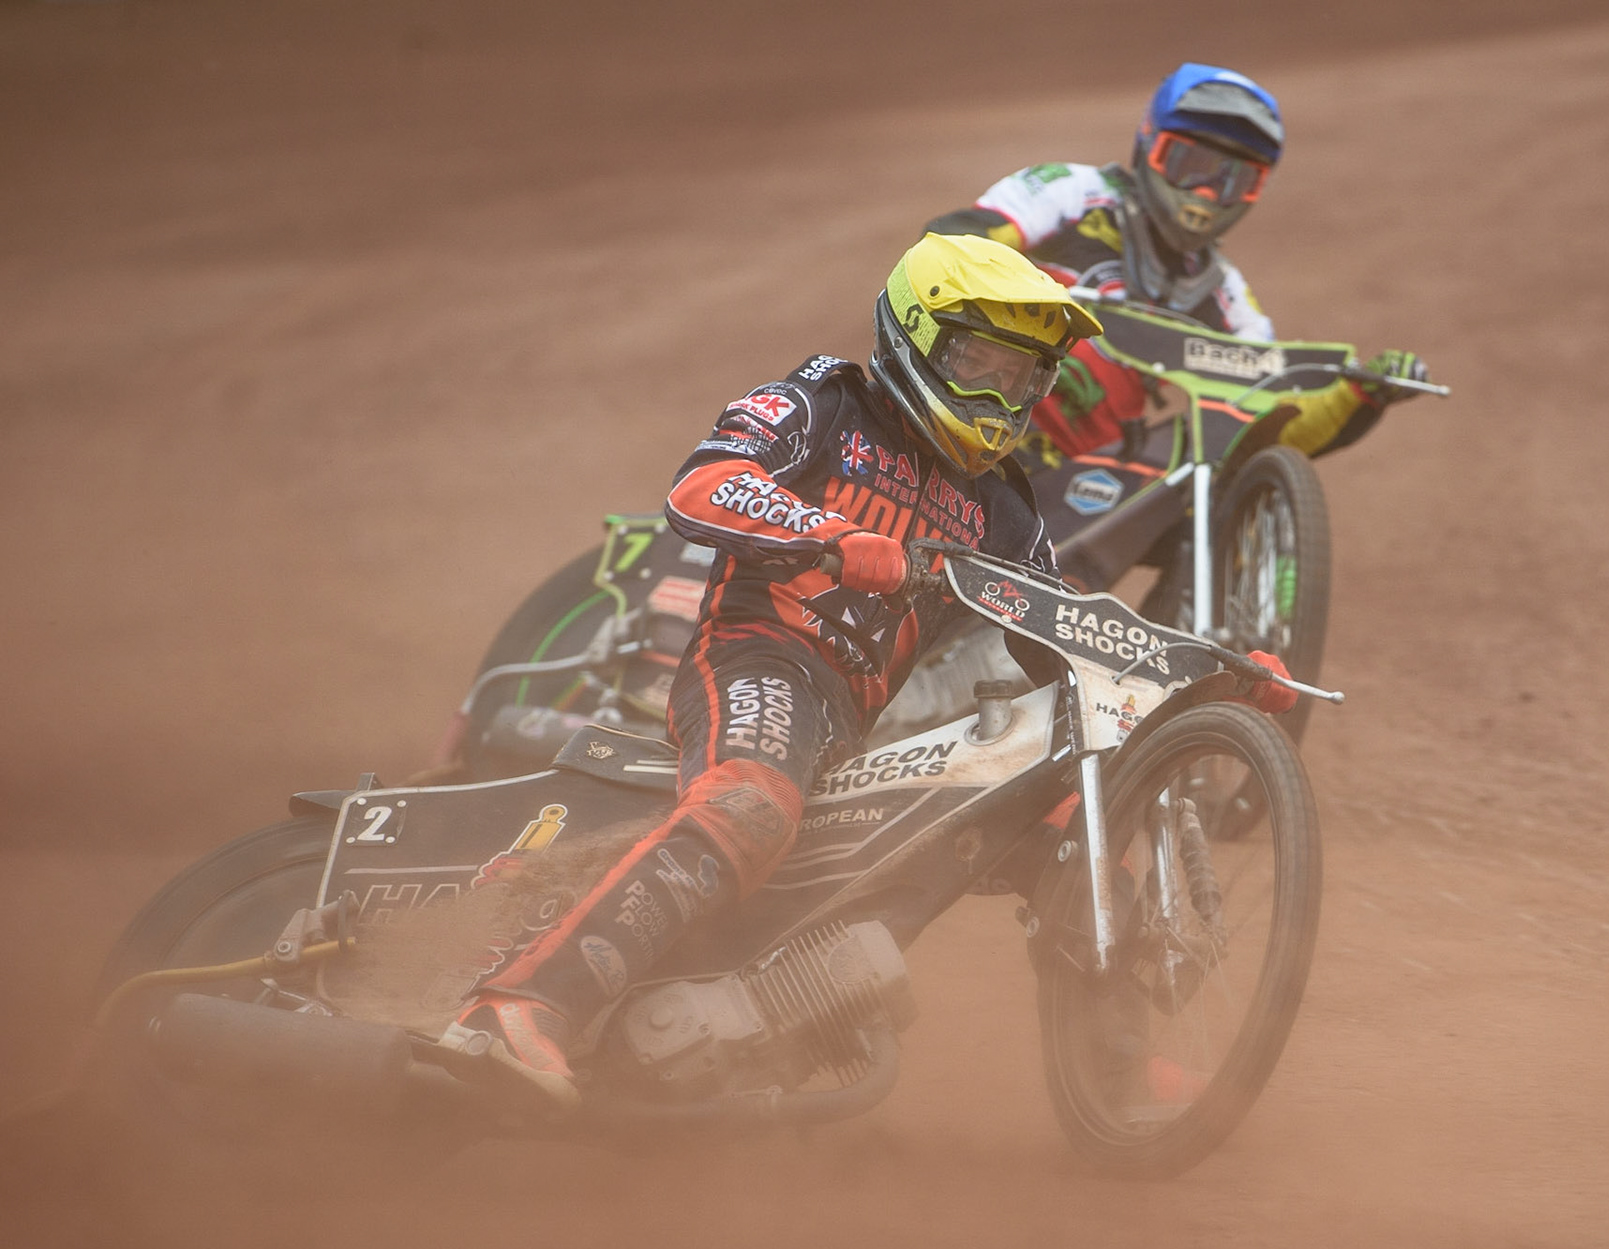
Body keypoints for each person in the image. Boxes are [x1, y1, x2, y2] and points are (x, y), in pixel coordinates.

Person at [453, 233, 1300, 1105]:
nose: (998, 395)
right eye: (978, 364)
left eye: (1020, 377)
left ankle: (1115, 1077)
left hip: (855, 727)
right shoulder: (824, 404)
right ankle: (522, 1006)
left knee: (1071, 817)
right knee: (750, 803)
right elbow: (701, 486)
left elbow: (1068, 634)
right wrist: (833, 539)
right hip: (757, 657)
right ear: (916, 337)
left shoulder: (1002, 507)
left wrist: (1212, 669)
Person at [926, 62, 1430, 460]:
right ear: (1149, 145)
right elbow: (959, 241)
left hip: (1088, 477)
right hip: (974, 411)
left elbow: (1271, 416)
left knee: (1211, 455)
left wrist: (1354, 396)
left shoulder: (1223, 293)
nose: (1206, 193)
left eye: (1233, 179)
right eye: (1192, 165)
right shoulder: (1075, 191)